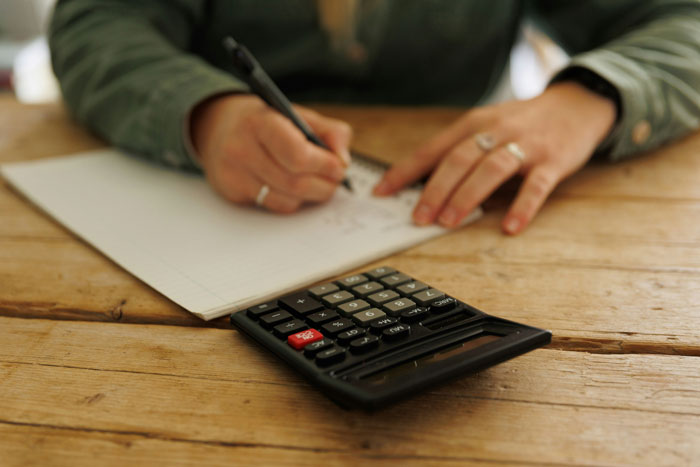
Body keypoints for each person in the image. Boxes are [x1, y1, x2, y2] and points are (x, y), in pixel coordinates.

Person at [49, 1, 700, 234]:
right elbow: (96, 25)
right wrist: (210, 115)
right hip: (193, 210)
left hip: (475, 215)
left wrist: (584, 99)